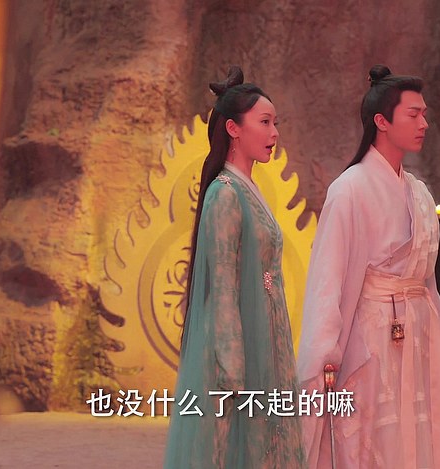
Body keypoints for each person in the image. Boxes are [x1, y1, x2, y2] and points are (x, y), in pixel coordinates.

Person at [296, 65, 440, 468]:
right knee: (373, 440)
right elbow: (327, 281)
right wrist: (325, 351)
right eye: (413, 114)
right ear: (381, 121)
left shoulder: (419, 192)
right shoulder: (349, 189)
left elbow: (427, 283)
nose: (424, 123)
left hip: (416, 333)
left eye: (424, 114)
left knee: (418, 433)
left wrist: (438, 340)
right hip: (371, 340)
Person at [163, 66, 306, 468]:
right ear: (233, 128)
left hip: (267, 336)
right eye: (265, 122)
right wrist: (232, 363)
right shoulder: (225, 194)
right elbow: (223, 285)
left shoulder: (248, 188)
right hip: (239, 345)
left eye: (275, 123)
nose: (274, 133)